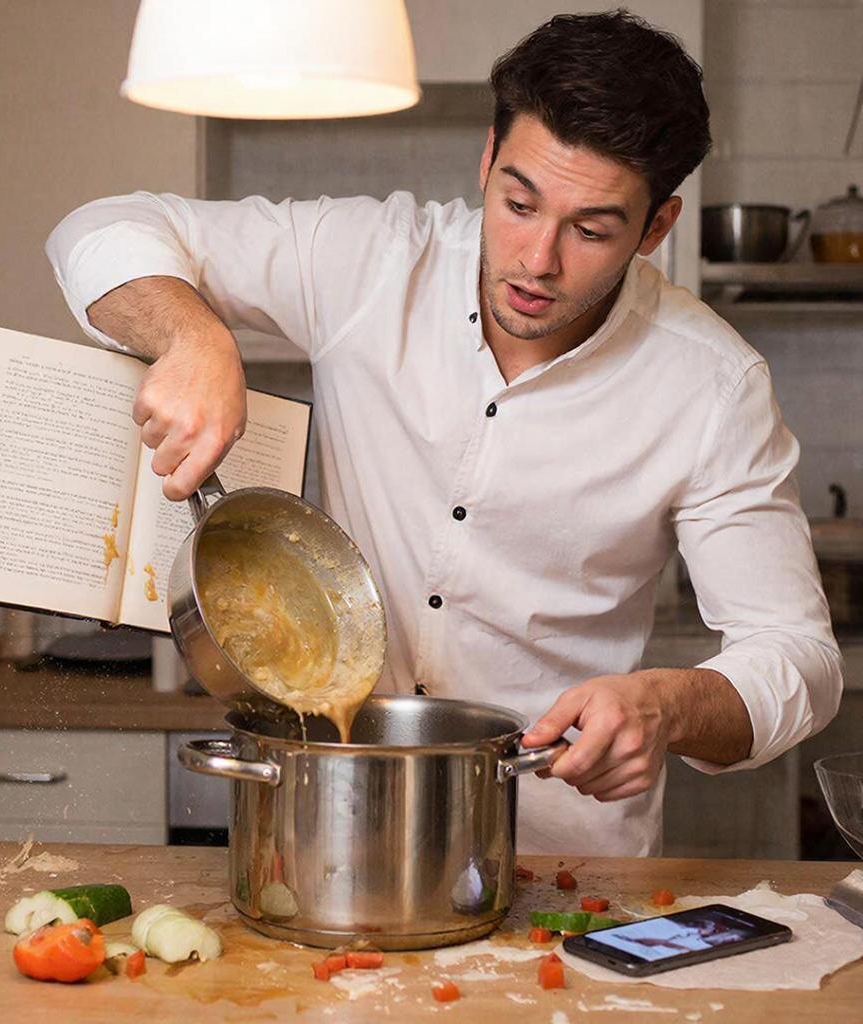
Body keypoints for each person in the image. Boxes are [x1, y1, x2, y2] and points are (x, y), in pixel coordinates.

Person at [45, 11, 842, 855]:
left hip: (559, 859)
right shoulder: (373, 261)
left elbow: (799, 657)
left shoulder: (712, 386)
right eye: (518, 204)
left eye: (590, 230)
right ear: (488, 159)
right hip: (331, 834)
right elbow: (99, 229)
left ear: (656, 228)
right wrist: (192, 337)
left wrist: (665, 705)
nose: (537, 259)